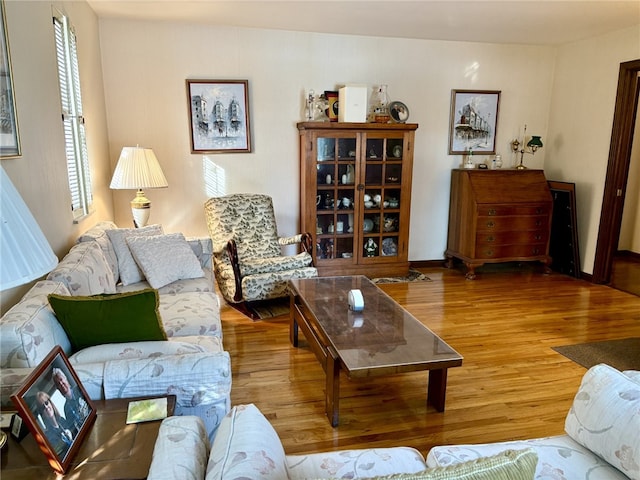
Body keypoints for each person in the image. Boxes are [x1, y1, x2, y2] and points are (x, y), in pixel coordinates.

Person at [35, 391, 73, 458]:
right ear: (42, 414)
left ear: (51, 403)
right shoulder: (48, 436)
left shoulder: (62, 420)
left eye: (46, 403)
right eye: (43, 407)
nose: (46, 407)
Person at [52, 368, 89, 435]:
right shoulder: (66, 408)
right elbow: (74, 430)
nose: (61, 383)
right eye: (58, 383)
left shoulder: (79, 389)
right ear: (58, 389)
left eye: (61, 379)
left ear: (66, 379)